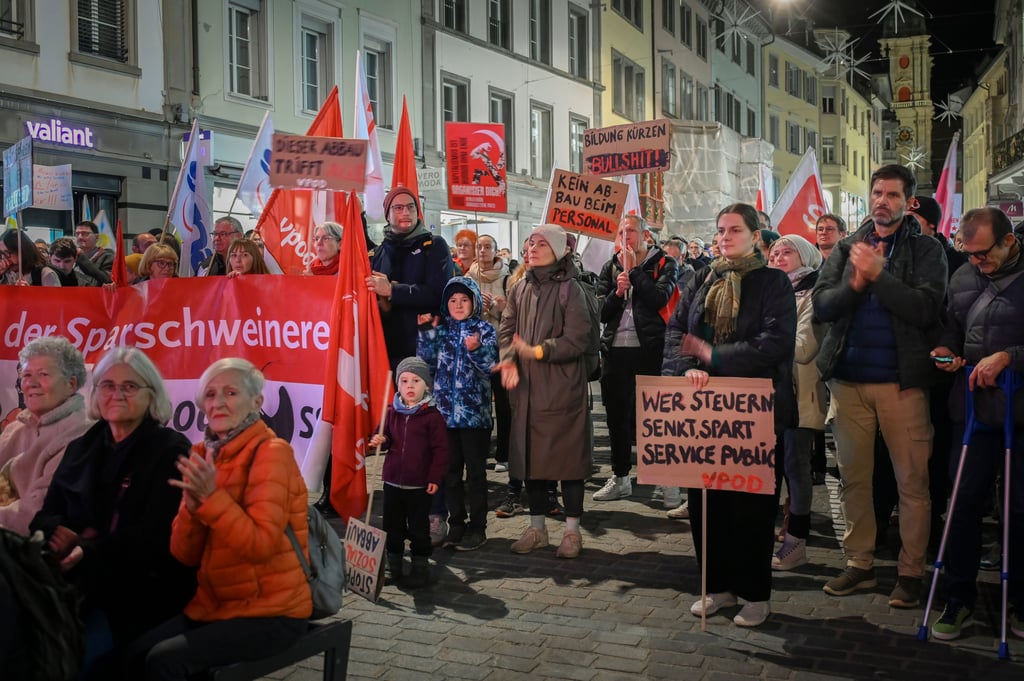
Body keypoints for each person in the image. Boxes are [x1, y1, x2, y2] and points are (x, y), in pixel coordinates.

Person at [813, 164, 947, 608]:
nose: (881, 201)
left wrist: (879, 276)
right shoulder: (848, 247)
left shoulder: (927, 249)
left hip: (901, 385)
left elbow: (925, 309)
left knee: (912, 483)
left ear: (908, 202)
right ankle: (860, 563)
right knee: (854, 479)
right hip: (848, 384)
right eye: (876, 192)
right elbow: (823, 306)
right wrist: (855, 280)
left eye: (891, 194)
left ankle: (910, 572)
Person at [129, 358, 311, 680]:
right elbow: (183, 554)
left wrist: (212, 499)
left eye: (230, 393)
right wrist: (192, 507)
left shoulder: (272, 452)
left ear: (256, 401)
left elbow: (261, 546)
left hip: (273, 611)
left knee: (163, 661)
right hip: (217, 605)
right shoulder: (201, 453)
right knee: (128, 656)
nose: (218, 403)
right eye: (211, 395)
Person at [662, 203, 795, 628]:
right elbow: (677, 331)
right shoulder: (704, 277)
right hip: (705, 410)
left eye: (734, 230)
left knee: (751, 507)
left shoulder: (773, 281)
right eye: (720, 230)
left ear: (756, 235)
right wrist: (687, 369)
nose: (724, 238)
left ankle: (756, 593)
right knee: (707, 504)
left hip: (754, 410)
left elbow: (775, 342)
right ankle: (717, 586)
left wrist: (715, 356)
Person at [30, 347, 195, 677]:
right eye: (107, 385)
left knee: (70, 661)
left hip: (140, 593)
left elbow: (158, 537)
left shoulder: (170, 450)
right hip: (73, 583)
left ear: (151, 395)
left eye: (129, 386)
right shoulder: (84, 445)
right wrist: (57, 532)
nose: (116, 394)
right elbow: (46, 514)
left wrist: (87, 550)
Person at [929, 207, 1024, 640]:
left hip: (1019, 408)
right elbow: (952, 322)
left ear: (1009, 241)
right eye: (968, 254)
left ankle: (1020, 602)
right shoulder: (965, 275)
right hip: (969, 407)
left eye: (983, 254)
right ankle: (958, 596)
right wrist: (946, 350)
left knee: (1019, 508)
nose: (975, 262)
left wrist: (1009, 356)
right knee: (963, 504)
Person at [497, 224, 593, 559]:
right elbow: (507, 329)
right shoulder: (520, 287)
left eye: (540, 243)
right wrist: (508, 361)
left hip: (562, 389)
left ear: (558, 250)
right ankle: (537, 529)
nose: (531, 248)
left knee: (568, 463)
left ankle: (571, 532)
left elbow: (577, 339)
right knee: (531, 461)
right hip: (526, 392)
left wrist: (539, 351)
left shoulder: (572, 289)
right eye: (529, 243)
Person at [593, 215, 678, 504]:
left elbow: (658, 300)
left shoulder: (664, 263)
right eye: (621, 232)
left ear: (645, 235)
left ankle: (667, 480)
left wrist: (635, 273)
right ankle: (620, 478)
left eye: (630, 230)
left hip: (650, 351)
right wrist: (617, 292)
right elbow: (601, 312)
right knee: (617, 418)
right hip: (616, 352)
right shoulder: (610, 265)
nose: (624, 236)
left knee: (655, 418)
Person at [418, 277, 498, 551]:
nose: (458, 304)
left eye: (464, 299)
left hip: (475, 417)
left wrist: (475, 350)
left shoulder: (484, 329)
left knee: (476, 473)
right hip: (444, 416)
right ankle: (456, 525)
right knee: (450, 474)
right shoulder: (442, 331)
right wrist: (427, 333)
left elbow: (490, 367)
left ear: (474, 301)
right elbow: (425, 364)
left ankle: (478, 528)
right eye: (453, 300)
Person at [767, 235, 825, 571]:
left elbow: (804, 348)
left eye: (786, 251)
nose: (778, 256)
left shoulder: (814, 294)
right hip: (768, 396)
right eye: (774, 252)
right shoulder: (770, 291)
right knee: (769, 469)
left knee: (796, 467)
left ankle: (796, 542)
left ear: (804, 256)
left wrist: (765, 338)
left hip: (799, 395)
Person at [369, 357, 448, 589]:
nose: (410, 386)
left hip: (418, 484)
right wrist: (379, 440)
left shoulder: (432, 417)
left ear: (427, 386)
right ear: (397, 385)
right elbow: (381, 439)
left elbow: (441, 451)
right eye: (404, 381)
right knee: (392, 528)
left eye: (416, 381)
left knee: (418, 529)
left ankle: (420, 568)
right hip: (393, 481)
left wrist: (435, 477)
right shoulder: (391, 412)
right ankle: (394, 567)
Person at [0, 337, 92, 535]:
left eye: (43, 374)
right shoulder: (14, 429)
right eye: (26, 375)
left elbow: (35, 513)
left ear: (71, 384)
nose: (31, 383)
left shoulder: (82, 436)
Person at [368, 185, 453, 370]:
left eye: (411, 207)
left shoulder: (434, 245)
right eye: (398, 208)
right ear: (387, 215)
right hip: (387, 347)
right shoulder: (380, 252)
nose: (406, 212)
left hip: (425, 345)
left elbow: (439, 293)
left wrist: (392, 290)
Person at [466, 235, 511, 475]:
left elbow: (515, 316)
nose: (482, 250)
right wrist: (475, 308)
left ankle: (504, 453)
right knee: (479, 404)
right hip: (476, 350)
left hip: (501, 347)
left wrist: (500, 308)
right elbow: (458, 311)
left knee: (503, 404)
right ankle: (480, 453)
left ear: (495, 251)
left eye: (487, 247)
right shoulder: (468, 278)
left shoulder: (507, 278)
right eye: (479, 246)